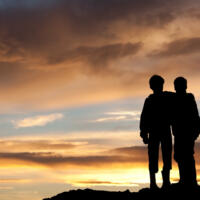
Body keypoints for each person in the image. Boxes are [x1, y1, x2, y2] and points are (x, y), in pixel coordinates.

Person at [140, 75, 172, 189]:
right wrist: (144, 133)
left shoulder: (167, 97)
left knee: (166, 155)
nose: (160, 87)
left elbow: (143, 118)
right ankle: (153, 183)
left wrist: (144, 133)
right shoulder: (149, 100)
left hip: (164, 130)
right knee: (154, 156)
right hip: (155, 132)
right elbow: (144, 118)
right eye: (159, 84)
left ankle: (166, 182)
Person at [172, 77, 200, 187]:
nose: (176, 87)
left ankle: (191, 180)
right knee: (179, 156)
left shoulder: (189, 98)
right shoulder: (174, 99)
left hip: (188, 132)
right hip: (179, 133)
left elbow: (195, 115)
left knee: (187, 155)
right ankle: (184, 180)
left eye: (178, 84)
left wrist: (196, 130)